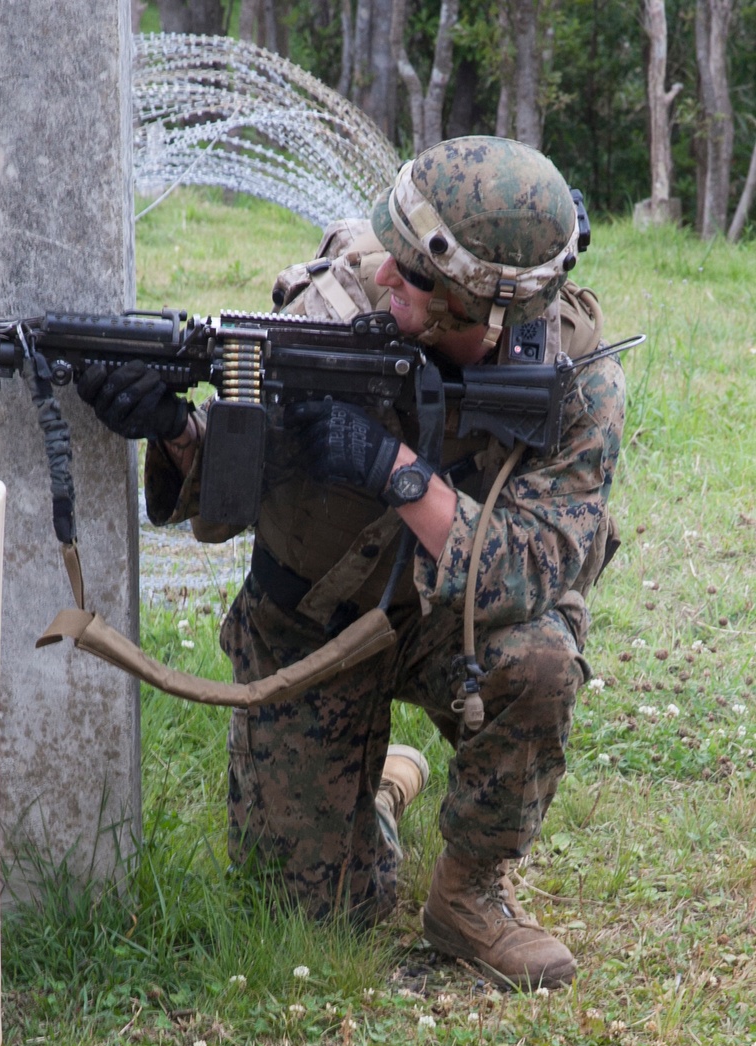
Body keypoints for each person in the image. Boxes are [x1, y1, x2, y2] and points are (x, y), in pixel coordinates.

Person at [78, 136, 625, 990]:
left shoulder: (573, 380)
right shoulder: (324, 320)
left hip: (462, 628)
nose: (383, 283)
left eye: (413, 284)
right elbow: (224, 496)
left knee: (545, 659)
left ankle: (470, 896)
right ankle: (381, 790)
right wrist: (175, 428)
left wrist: (393, 470)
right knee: (314, 913)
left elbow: (524, 572)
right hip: (314, 622)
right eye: (392, 261)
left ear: (483, 314)